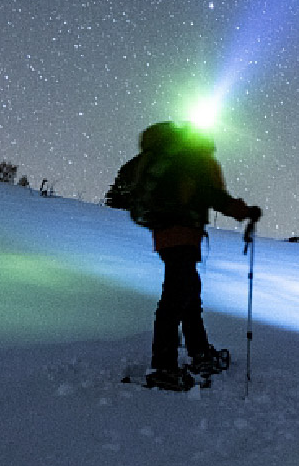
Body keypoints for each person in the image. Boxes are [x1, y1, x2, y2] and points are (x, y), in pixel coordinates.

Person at [106, 121, 261, 390]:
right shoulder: (192, 159)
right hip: (183, 233)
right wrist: (245, 211)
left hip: (165, 235)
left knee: (188, 294)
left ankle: (199, 353)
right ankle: (164, 366)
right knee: (176, 298)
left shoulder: (165, 158)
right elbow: (212, 194)